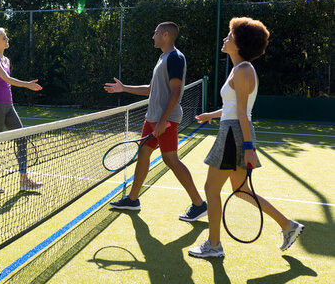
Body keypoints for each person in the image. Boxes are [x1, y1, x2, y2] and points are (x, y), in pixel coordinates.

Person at [188, 17, 304, 258]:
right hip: (233, 130)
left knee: (211, 188)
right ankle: (288, 226)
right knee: (241, 191)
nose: (225, 38)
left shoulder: (242, 71)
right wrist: (212, 114)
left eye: (230, 36)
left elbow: (242, 112)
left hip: (234, 134)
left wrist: (250, 147)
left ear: (240, 43)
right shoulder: (240, 69)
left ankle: (214, 245)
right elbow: (235, 108)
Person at [104, 21, 207, 221]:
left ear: (166, 35)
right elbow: (150, 90)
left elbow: (176, 91)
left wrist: (162, 120)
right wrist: (124, 88)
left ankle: (198, 204)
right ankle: (133, 199)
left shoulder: (175, 57)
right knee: (143, 154)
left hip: (165, 120)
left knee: (170, 159)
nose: (153, 36)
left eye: (156, 33)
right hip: (152, 118)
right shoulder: (162, 58)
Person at [0, 27, 43, 193]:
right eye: (4, 37)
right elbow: (7, 79)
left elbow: (7, 82)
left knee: (21, 138)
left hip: (9, 106)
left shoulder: (6, 60)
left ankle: (24, 180)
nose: (7, 38)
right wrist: (27, 84)